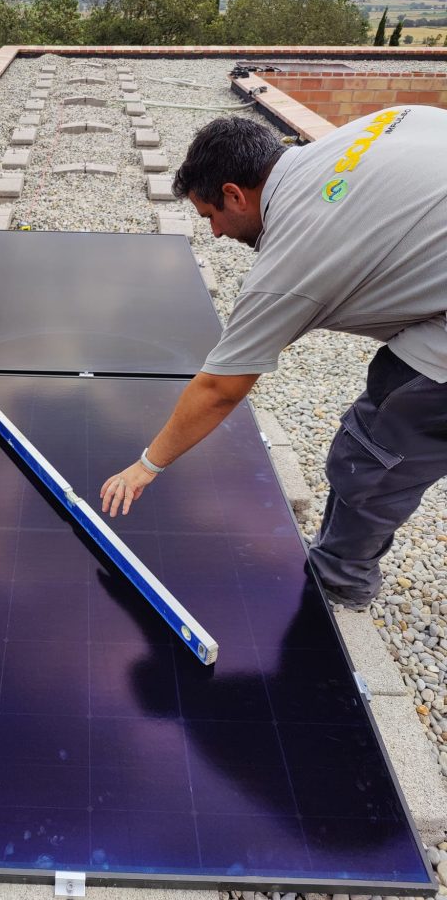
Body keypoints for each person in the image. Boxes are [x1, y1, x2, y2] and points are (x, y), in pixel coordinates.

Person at [101, 106, 447, 611]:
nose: (216, 233)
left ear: (235, 195)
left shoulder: (291, 257)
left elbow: (220, 388)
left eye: (211, 217)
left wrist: (146, 466)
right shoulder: (376, 125)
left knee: (374, 449)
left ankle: (338, 581)